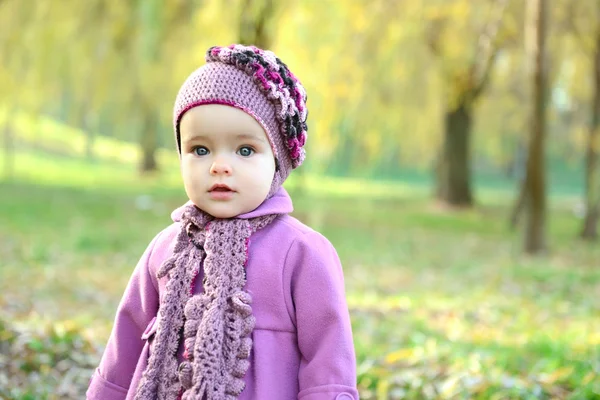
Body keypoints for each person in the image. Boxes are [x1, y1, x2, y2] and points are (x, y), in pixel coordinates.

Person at [87, 44, 358, 400]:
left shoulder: (301, 252)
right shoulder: (166, 249)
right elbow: (125, 341)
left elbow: (328, 355)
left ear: (278, 160)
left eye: (245, 150)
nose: (219, 165)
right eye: (200, 150)